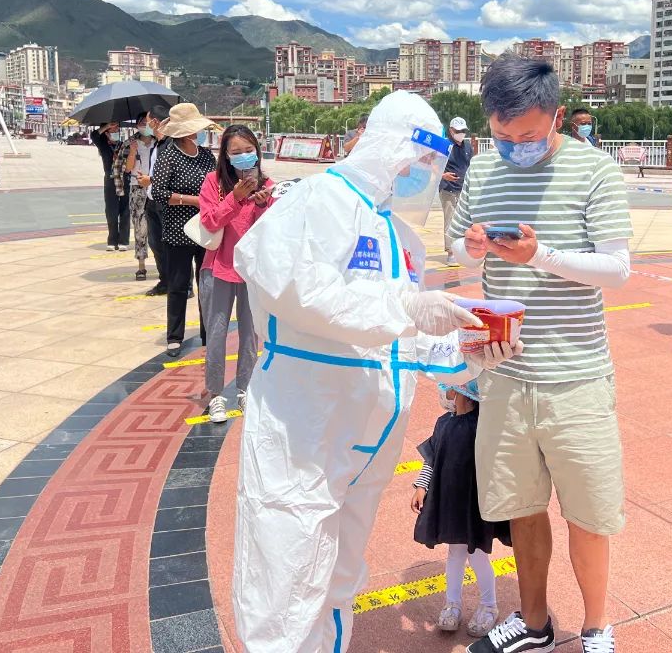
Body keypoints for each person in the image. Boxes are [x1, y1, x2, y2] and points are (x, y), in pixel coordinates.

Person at [232, 90, 518, 653]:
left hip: (369, 440)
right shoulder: (317, 200)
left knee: (339, 577)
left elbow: (403, 337)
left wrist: (467, 355)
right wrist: (406, 308)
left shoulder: (401, 237)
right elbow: (294, 287)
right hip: (307, 429)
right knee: (286, 578)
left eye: (430, 164)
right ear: (385, 144)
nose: (420, 173)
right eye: (417, 158)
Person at [448, 55, 633, 653]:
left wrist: (542, 256)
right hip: (503, 372)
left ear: (557, 116)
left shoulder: (595, 170)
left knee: (590, 514)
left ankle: (597, 627)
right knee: (522, 509)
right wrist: (471, 245)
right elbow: (458, 248)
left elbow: (617, 269)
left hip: (576, 376)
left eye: (526, 137)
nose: (513, 148)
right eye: (502, 136)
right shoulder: (482, 168)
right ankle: (534, 624)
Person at [412, 380, 510, 638]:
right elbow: (432, 458)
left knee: (477, 554)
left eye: (448, 387)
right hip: (452, 503)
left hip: (474, 506)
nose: (445, 393)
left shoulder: (482, 424)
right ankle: (452, 604)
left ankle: (489, 605)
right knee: (455, 553)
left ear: (458, 390)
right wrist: (421, 485)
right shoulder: (443, 423)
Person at [198, 124, 274, 423]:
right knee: (216, 333)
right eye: (236, 152)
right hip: (218, 268)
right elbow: (209, 221)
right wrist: (235, 198)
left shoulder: (267, 184)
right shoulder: (214, 182)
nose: (243, 156)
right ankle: (215, 394)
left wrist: (263, 205)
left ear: (257, 151)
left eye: (248, 150)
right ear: (226, 156)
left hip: (251, 271)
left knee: (250, 334)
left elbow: (272, 229)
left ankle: (245, 389)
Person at [150, 103, 218, 358]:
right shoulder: (168, 155)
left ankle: (208, 333)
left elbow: (217, 184)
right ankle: (174, 337)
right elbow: (159, 192)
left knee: (207, 284)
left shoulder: (206, 156)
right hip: (177, 231)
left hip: (205, 229)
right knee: (178, 285)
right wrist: (192, 200)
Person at [133, 106, 171, 295]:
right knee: (156, 244)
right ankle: (165, 281)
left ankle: (184, 285)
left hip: (167, 202)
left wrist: (151, 180)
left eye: (147, 122)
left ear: (155, 122)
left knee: (173, 246)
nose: (146, 126)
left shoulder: (171, 145)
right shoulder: (157, 144)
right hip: (152, 201)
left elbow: (174, 175)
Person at [125, 113, 157, 282]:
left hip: (155, 186)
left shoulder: (160, 143)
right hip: (137, 187)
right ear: (137, 125)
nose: (146, 126)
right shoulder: (130, 143)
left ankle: (162, 264)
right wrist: (132, 151)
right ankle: (141, 265)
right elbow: (127, 168)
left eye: (148, 122)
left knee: (158, 226)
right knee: (140, 227)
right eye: (142, 122)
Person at [439, 116, 473, 264]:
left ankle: (463, 249)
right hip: (448, 189)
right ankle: (450, 252)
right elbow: (433, 165)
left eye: (463, 131)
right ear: (451, 131)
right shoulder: (444, 146)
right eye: (458, 131)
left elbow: (470, 165)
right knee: (450, 220)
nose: (461, 133)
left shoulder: (468, 146)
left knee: (465, 220)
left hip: (463, 189)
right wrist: (443, 175)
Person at [91, 122, 130, 252]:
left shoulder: (124, 145)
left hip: (125, 178)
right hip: (110, 179)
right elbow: (94, 135)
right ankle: (112, 240)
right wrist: (107, 126)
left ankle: (123, 241)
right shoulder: (103, 145)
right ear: (107, 133)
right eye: (113, 129)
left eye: (118, 128)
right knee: (111, 211)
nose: (117, 131)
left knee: (125, 211)